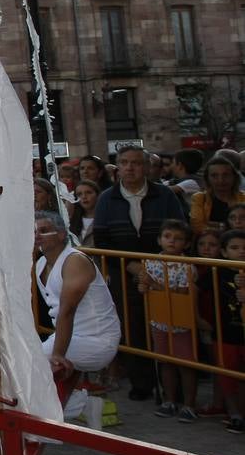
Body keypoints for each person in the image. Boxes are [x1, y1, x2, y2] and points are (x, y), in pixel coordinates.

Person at [92, 145, 187, 402]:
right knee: (132, 328)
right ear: (118, 167)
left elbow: (180, 229)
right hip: (124, 273)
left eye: (136, 162)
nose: (130, 167)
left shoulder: (165, 195)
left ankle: (173, 388)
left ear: (145, 166)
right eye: (124, 162)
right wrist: (132, 266)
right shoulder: (106, 199)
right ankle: (141, 383)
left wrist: (156, 264)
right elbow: (101, 240)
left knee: (169, 327)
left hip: (164, 272)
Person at [34, 211, 121, 415]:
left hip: (97, 340)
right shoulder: (40, 264)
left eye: (44, 231)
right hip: (69, 336)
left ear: (62, 234)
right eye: (34, 231)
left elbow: (67, 311)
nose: (37, 235)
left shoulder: (75, 261)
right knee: (24, 360)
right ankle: (81, 405)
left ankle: (61, 413)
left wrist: (57, 354)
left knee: (31, 362)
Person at [132, 219, 199, 422]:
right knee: (165, 362)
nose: (172, 241)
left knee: (186, 365)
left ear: (186, 244)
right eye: (168, 237)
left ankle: (189, 404)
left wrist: (153, 285)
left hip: (181, 323)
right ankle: (169, 400)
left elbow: (181, 292)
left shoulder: (188, 266)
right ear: (160, 240)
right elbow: (144, 287)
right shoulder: (150, 262)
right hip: (159, 321)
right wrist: (144, 287)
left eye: (178, 239)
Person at [210, 230, 245, 434]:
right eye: (234, 248)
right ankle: (235, 414)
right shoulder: (216, 271)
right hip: (224, 334)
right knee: (227, 375)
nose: (241, 252)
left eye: (244, 248)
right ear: (223, 251)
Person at [189, 156, 245, 236]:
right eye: (214, 176)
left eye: (226, 175)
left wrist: (216, 226)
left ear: (234, 177)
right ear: (207, 178)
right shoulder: (200, 198)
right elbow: (197, 227)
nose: (220, 180)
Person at [68, 180, 101, 247]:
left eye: (88, 192)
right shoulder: (72, 221)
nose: (84, 197)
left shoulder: (104, 218)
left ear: (97, 195)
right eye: (79, 194)